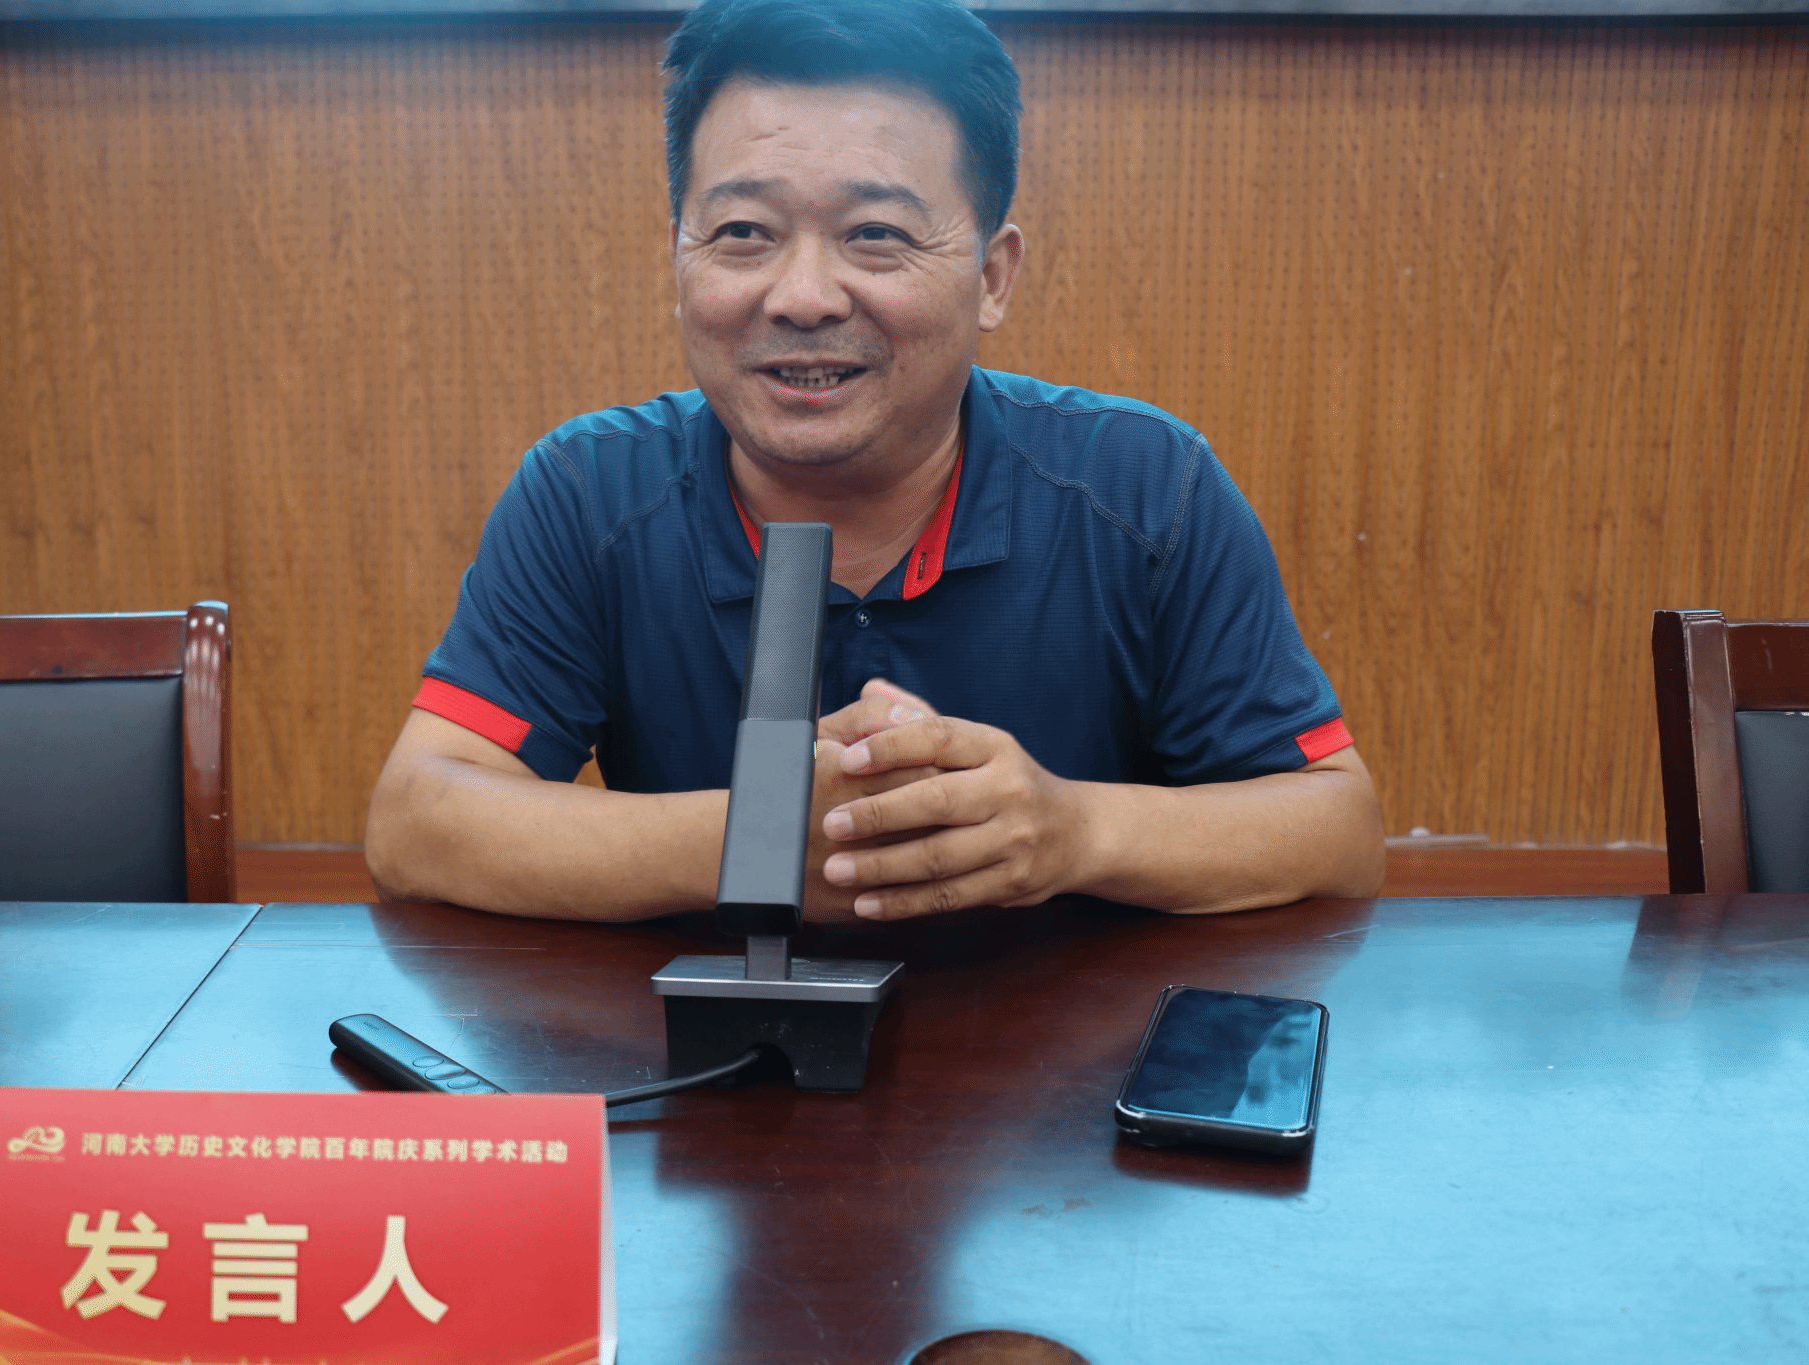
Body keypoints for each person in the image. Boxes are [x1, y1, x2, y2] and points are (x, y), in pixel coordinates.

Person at [366, 0, 1384, 922]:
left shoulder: (1143, 485)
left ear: (991, 276)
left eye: (876, 234)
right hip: (704, 1057)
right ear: (678, 259)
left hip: (1068, 1059)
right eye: (743, 231)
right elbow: (419, 818)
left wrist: (1070, 830)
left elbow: (1334, 828)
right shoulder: (589, 490)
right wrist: (759, 838)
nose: (803, 296)